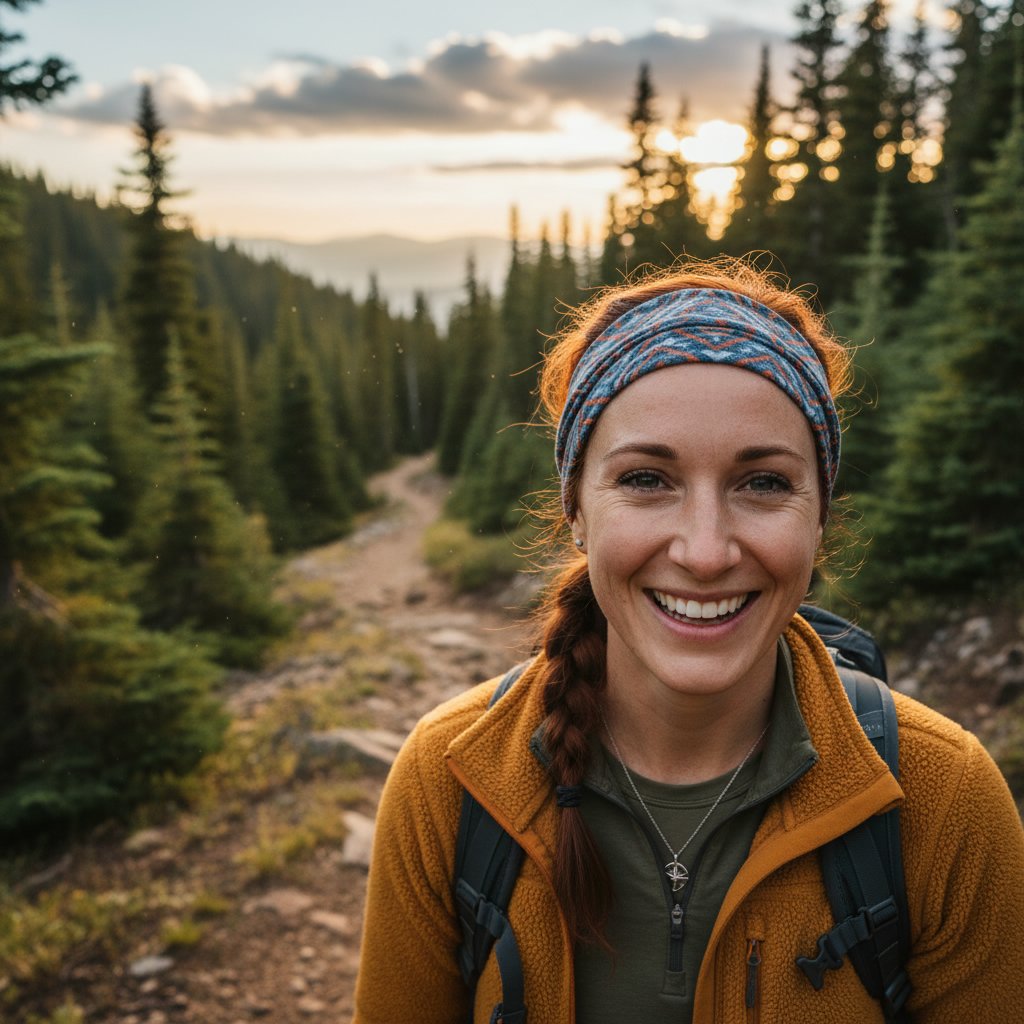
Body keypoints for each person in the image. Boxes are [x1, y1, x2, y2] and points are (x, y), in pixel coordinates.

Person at [353, 260, 1024, 1023]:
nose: (705, 553)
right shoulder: (448, 781)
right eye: (646, 480)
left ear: (820, 516)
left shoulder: (945, 800)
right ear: (576, 509)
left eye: (763, 483)